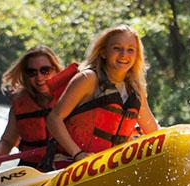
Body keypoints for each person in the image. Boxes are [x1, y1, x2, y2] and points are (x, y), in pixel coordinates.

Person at [46, 25, 159, 162]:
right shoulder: (88, 79)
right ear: (103, 52)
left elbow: (153, 131)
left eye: (130, 50)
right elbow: (54, 119)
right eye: (117, 48)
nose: (124, 54)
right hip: (71, 163)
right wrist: (78, 154)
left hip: (109, 166)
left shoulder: (135, 88)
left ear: (136, 57)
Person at [0, 45, 66, 170]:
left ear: (56, 70)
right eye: (32, 72)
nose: (39, 77)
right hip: (30, 169)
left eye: (45, 70)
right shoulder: (21, 104)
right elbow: (7, 141)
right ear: (26, 76)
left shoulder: (70, 96)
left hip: (64, 167)